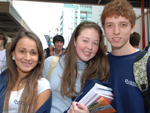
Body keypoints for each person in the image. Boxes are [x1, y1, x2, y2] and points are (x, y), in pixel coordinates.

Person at [42, 21, 110, 113]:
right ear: (74, 41)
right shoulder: (50, 64)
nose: (90, 47)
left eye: (95, 43)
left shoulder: (100, 72)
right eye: (85, 41)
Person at [100, 0, 150, 113]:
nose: (116, 31)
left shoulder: (146, 63)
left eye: (123, 25)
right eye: (110, 25)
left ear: (132, 28)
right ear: (104, 29)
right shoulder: (100, 65)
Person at [0, 30, 51, 113]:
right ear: (13, 53)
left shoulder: (42, 85)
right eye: (22, 51)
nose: (27, 57)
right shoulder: (2, 78)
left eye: (33, 53)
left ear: (39, 57)